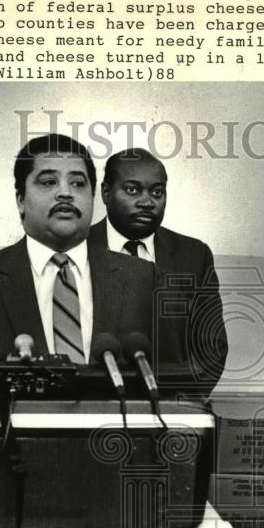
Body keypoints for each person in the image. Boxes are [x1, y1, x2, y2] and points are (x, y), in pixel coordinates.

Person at [0, 133, 165, 480]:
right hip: (5, 493)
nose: (65, 192)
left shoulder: (140, 279)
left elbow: (167, 393)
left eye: (78, 182)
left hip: (115, 489)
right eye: (48, 181)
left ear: (93, 197)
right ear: (20, 199)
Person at [89, 148, 228, 394]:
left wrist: (181, 406)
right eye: (132, 190)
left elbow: (212, 347)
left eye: (157, 192)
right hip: (92, 406)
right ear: (106, 193)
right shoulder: (78, 249)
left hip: (169, 409)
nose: (147, 202)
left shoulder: (194, 255)